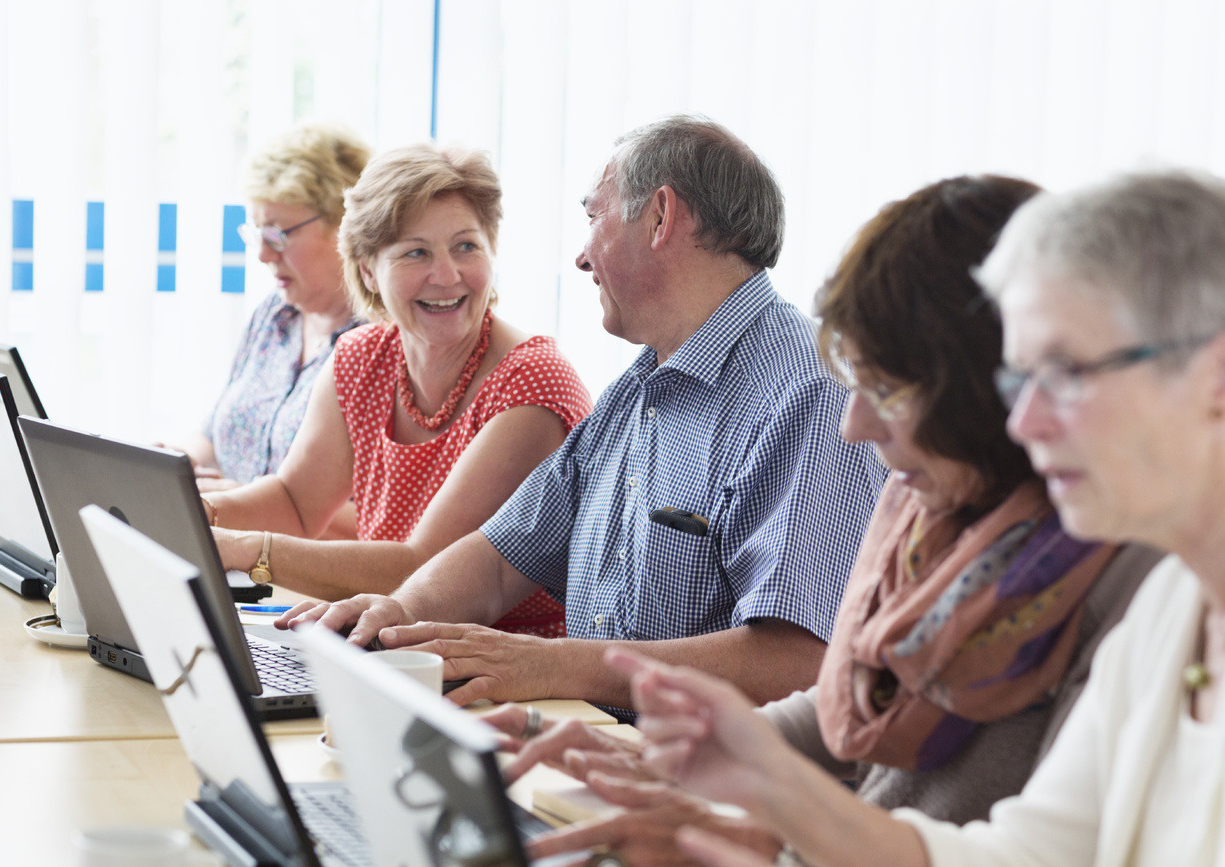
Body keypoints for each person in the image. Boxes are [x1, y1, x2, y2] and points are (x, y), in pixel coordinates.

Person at [485, 176, 1162, 866]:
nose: (854, 423)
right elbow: (848, 700)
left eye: (889, 390)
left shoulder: (1127, 576)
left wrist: (763, 837)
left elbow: (1029, 851)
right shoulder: (924, 500)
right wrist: (665, 757)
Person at [277, 115, 888, 714]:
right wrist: (398, 617)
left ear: (660, 217)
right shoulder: (640, 385)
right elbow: (498, 559)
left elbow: (802, 662)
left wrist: (553, 664)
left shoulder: (808, 393)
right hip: (605, 751)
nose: (580, 256)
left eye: (594, 216)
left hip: (710, 784)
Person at [204, 144, 592, 639]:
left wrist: (245, 548)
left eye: (466, 247)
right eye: (416, 252)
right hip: (388, 648)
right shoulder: (361, 358)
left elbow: (425, 570)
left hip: (508, 677)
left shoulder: (532, 385)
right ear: (368, 269)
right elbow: (295, 502)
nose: (447, 274)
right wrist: (196, 511)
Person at [176, 122, 370, 498]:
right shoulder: (274, 315)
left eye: (277, 234)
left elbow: (386, 520)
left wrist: (248, 503)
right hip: (224, 543)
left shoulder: (381, 344)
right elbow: (215, 433)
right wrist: (174, 464)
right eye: (257, 234)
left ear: (345, 226)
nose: (263, 254)